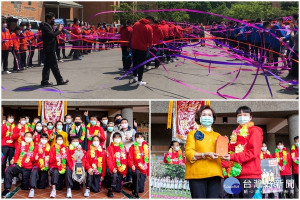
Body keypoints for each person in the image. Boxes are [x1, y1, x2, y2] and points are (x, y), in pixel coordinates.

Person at [222, 106, 263, 198]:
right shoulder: (236, 133)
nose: (242, 117)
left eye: (245, 115)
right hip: (234, 175)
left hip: (250, 176)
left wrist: (232, 157)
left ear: (250, 117)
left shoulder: (254, 131)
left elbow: (253, 153)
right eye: (239, 115)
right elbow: (233, 150)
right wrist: (225, 143)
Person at [184, 105, 222, 198]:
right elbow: (189, 153)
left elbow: (223, 154)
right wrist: (205, 155)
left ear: (213, 118)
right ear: (199, 118)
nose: (207, 117)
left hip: (215, 173)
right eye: (204, 114)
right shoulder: (192, 133)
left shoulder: (218, 136)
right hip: (197, 174)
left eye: (209, 115)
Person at [2, 132, 35, 197]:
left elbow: (34, 160)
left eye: (30, 137)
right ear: (24, 137)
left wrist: (33, 157)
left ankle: (24, 182)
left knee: (25, 187)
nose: (28, 138)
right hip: (18, 165)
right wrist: (13, 160)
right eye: (27, 136)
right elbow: (16, 155)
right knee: (9, 169)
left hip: (28, 167)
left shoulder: (34, 147)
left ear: (32, 138)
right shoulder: (20, 145)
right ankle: (7, 188)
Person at [41, 12, 68, 86]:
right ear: (48, 19)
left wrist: (57, 29)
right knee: (54, 66)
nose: (54, 21)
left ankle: (44, 81)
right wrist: (59, 30)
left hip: (50, 49)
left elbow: (52, 34)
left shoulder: (49, 26)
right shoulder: (45, 27)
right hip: (49, 49)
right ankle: (59, 80)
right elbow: (52, 35)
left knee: (47, 66)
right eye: (52, 19)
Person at [131, 16, 154, 86]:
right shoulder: (148, 27)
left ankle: (135, 76)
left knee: (135, 62)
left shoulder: (135, 24)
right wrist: (150, 45)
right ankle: (139, 80)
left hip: (134, 46)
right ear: (149, 20)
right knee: (141, 64)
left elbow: (132, 34)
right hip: (142, 48)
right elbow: (150, 39)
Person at [128, 132, 149, 198]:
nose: (139, 139)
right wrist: (132, 165)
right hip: (136, 167)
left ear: (143, 139)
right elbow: (130, 158)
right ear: (135, 139)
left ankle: (133, 186)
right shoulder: (132, 147)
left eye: (141, 137)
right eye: (138, 137)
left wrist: (148, 172)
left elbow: (148, 160)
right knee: (136, 174)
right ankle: (135, 192)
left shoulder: (146, 147)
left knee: (141, 190)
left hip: (143, 168)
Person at [107, 132, 127, 197]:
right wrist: (112, 168)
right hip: (113, 168)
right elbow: (108, 159)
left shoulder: (123, 147)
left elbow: (125, 160)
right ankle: (110, 189)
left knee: (118, 190)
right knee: (114, 175)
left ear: (121, 139)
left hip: (120, 168)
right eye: (115, 137)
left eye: (119, 137)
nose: (117, 139)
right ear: (113, 139)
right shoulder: (110, 147)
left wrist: (124, 172)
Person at [1, 114, 18, 182]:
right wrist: (6, 127)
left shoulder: (15, 126)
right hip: (5, 145)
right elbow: (1, 134)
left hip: (12, 146)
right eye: (10, 118)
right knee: (3, 161)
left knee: (12, 161)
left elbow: (16, 136)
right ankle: (2, 176)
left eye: (12, 118)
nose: (11, 119)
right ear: (7, 118)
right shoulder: (4, 125)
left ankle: (12, 176)